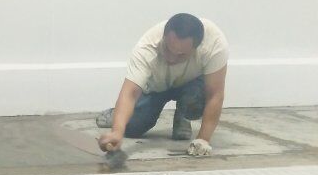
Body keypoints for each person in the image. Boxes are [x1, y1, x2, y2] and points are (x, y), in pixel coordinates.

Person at [96, 14, 228, 158]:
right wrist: (117, 132)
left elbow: (215, 94)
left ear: (197, 47)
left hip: (191, 85)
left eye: (180, 55)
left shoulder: (213, 43)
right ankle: (117, 113)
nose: (171, 58)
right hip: (156, 88)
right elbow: (130, 93)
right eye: (167, 49)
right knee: (132, 128)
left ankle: (183, 114)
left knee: (195, 101)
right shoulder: (146, 47)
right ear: (163, 37)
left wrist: (203, 140)